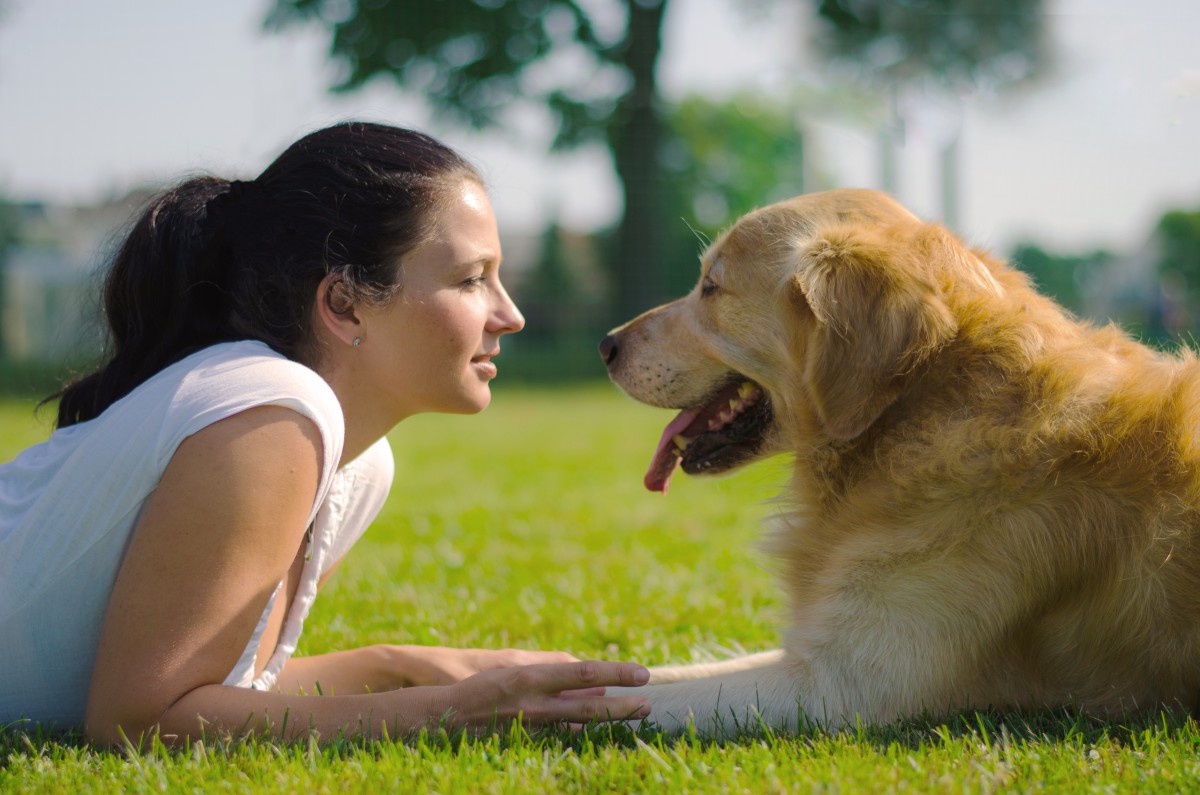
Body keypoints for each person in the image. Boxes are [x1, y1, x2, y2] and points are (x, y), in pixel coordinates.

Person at [0, 121, 651, 743]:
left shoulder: (358, 461)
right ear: (344, 303)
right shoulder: (271, 408)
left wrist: (406, 666)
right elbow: (136, 719)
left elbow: (230, 686)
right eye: (471, 279)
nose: (508, 314)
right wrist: (457, 707)